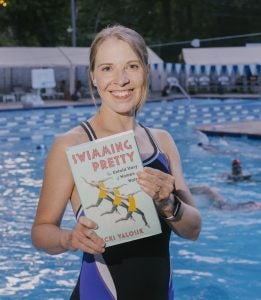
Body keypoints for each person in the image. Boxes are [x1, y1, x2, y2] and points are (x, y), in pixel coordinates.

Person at [31, 25, 202, 300]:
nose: (120, 80)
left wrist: (169, 204)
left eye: (131, 66)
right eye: (107, 68)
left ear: (145, 71)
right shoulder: (72, 144)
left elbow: (193, 229)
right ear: (94, 77)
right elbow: (41, 231)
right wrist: (68, 239)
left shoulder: (162, 141)